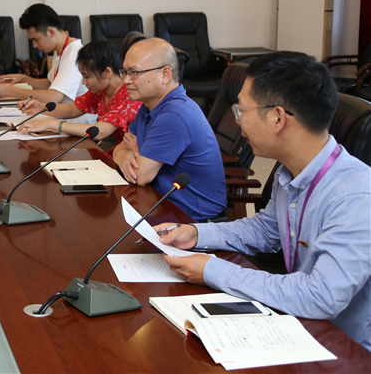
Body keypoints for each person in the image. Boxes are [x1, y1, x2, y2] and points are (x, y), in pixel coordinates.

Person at [156, 51, 370, 351]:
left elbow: (320, 296)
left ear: (278, 117)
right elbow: (266, 230)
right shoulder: (290, 171)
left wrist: (214, 270)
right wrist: (196, 233)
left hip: (343, 350)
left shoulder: (355, 196)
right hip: (299, 326)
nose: (237, 120)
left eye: (241, 109)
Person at [113, 38, 226, 222]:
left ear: (165, 74)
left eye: (134, 72)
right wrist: (124, 154)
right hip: (159, 204)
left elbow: (140, 176)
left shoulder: (174, 114)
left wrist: (135, 152)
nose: (125, 80)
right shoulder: (150, 105)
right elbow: (121, 146)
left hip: (193, 221)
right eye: (125, 72)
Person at [16, 40, 141, 152]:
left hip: (134, 155)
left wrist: (51, 124)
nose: (84, 82)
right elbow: (73, 109)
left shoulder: (127, 95)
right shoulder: (102, 90)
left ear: (107, 72)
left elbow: (99, 132)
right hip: (120, 151)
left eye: (87, 76)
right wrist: (41, 108)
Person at [0, 4, 93, 122]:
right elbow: (51, 83)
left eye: (36, 39)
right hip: (60, 118)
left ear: (51, 32)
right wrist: (24, 79)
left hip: (74, 124)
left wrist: (9, 90)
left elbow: (52, 97)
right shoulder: (61, 50)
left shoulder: (73, 55)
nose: (35, 45)